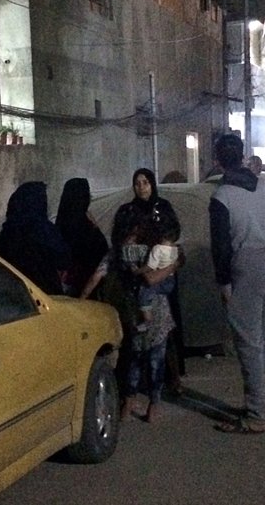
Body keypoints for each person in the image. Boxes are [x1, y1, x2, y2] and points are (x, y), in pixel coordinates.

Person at [209, 133, 265, 434]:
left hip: (246, 265)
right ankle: (259, 404)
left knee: (249, 343)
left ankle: (256, 414)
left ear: (218, 160)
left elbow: (220, 247)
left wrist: (224, 283)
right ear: (242, 155)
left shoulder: (221, 196)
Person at [111, 168, 186, 395]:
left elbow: (172, 233)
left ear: (152, 184)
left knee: (166, 330)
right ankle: (137, 385)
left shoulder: (162, 208)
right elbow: (120, 240)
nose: (141, 187)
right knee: (137, 332)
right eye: (137, 183)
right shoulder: (128, 211)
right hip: (137, 277)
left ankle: (172, 379)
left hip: (162, 276)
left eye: (145, 182)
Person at [0, 181, 71, 295]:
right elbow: (63, 260)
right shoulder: (44, 230)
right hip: (43, 294)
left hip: (14, 293)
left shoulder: (8, 229)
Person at [54, 178, 109, 297]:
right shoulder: (85, 226)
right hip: (87, 287)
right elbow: (102, 250)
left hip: (64, 289)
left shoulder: (61, 223)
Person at [133, 214, 181, 332]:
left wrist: (137, 271)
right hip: (171, 281)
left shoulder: (157, 249)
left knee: (144, 293)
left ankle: (147, 322)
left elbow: (150, 266)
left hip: (160, 280)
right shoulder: (175, 248)